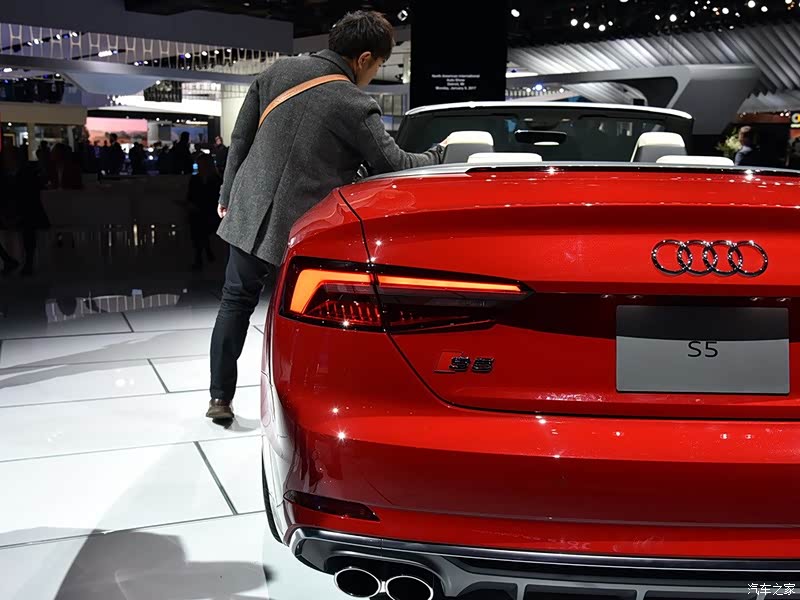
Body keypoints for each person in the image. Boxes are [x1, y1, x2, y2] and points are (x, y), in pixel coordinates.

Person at [206, 10, 447, 420]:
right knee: (294, 318)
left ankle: (219, 399)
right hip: (303, 228)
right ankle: (292, 408)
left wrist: (228, 193)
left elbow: (241, 136)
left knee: (234, 303)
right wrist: (440, 154)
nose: (374, 73)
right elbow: (395, 164)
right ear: (364, 58)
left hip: (249, 210)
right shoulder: (355, 103)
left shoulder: (277, 72)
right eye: (378, 64)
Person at [185, 153, 222, 270]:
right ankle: (205, 252)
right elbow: (190, 196)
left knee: (200, 224)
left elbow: (216, 199)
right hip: (200, 211)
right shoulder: (195, 179)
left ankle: (201, 256)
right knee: (198, 223)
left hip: (211, 211)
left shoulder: (216, 180)